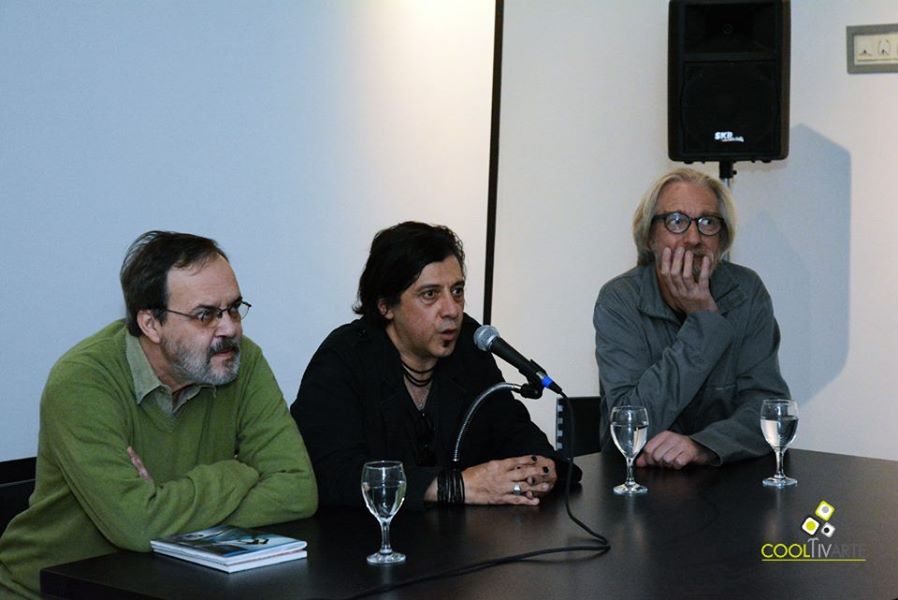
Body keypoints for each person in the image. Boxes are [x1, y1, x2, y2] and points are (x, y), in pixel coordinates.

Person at [0, 231, 317, 599]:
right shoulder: (83, 381)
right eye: (205, 315)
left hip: (171, 585)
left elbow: (297, 491)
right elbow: (135, 525)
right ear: (151, 324)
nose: (229, 328)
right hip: (51, 591)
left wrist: (160, 503)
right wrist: (238, 472)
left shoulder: (242, 361)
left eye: (234, 307)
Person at [291, 221, 577, 510]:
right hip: (366, 545)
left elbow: (511, 428)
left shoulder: (469, 346)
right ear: (385, 306)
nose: (452, 310)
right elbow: (332, 475)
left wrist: (541, 464)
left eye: (457, 291)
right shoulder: (343, 359)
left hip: (460, 543)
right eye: (430, 294)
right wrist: (454, 486)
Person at [593, 168, 790, 470]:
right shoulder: (619, 299)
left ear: (722, 240)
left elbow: (768, 408)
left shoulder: (746, 292)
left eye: (707, 222)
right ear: (649, 237)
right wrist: (703, 323)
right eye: (676, 221)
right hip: (634, 481)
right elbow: (630, 423)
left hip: (728, 479)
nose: (694, 237)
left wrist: (705, 446)